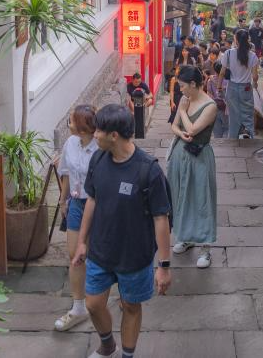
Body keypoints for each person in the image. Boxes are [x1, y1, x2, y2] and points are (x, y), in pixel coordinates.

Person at [72, 105, 172, 358]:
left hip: (134, 256)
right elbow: (92, 200)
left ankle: (127, 354)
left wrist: (163, 266)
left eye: (99, 131)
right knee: (93, 304)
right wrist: (82, 241)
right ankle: (108, 346)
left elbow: (161, 218)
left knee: (130, 305)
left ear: (114, 135)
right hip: (101, 249)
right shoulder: (99, 159)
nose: (94, 135)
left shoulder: (148, 170)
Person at [54, 105, 100, 332]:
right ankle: (78, 306)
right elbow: (66, 174)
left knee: (102, 254)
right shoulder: (70, 143)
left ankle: (116, 295)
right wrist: (63, 201)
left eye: (71, 122)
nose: (68, 124)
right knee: (74, 255)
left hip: (98, 205)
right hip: (76, 204)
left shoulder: (100, 148)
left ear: (82, 129)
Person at [167, 66, 219, 268]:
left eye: (182, 86)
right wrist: (180, 134)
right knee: (181, 196)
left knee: (201, 198)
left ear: (193, 84)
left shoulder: (210, 106)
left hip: (200, 158)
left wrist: (182, 112)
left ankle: (206, 248)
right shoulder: (184, 100)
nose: (180, 90)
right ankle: (186, 237)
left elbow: (193, 129)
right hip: (181, 154)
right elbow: (175, 126)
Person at [223, 28, 260, 139]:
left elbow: (222, 73)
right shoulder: (253, 56)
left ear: (236, 40)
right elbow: (254, 76)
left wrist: (219, 87)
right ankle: (250, 137)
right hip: (246, 87)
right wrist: (255, 83)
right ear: (248, 39)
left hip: (232, 87)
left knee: (233, 116)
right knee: (248, 115)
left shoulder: (228, 53)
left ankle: (233, 139)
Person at [125, 73, 152, 140]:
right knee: (129, 102)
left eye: (139, 82)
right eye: (136, 82)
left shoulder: (143, 84)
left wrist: (147, 97)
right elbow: (127, 97)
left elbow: (151, 94)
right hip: (133, 102)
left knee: (150, 100)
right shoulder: (129, 86)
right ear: (132, 80)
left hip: (142, 101)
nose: (138, 83)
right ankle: (136, 112)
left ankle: (141, 110)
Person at [206, 61, 229, 138]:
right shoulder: (228, 81)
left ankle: (218, 147)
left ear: (215, 70)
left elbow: (209, 94)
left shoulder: (210, 80)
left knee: (217, 131)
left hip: (215, 107)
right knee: (227, 128)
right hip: (226, 107)